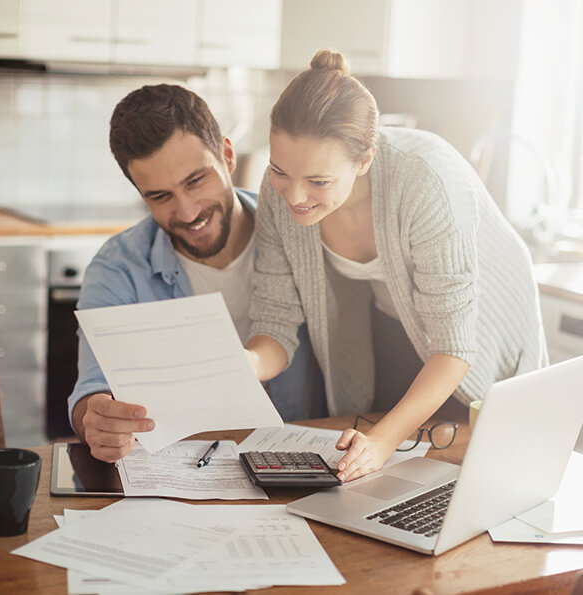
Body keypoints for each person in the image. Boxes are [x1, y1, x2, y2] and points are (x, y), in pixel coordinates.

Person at [245, 49, 548, 483]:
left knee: (474, 461)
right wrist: (246, 364)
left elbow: (454, 348)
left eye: (318, 181)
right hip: (394, 316)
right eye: (279, 171)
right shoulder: (280, 193)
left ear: (365, 159)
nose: (293, 196)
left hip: (479, 327)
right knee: (388, 468)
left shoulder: (427, 181)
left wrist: (382, 442)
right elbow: (274, 322)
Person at [68, 83, 325, 463]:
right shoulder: (117, 267)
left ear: (227, 154)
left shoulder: (299, 231)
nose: (187, 212)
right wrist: (98, 418)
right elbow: (92, 389)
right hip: (182, 470)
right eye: (160, 196)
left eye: (195, 181)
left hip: (303, 461)